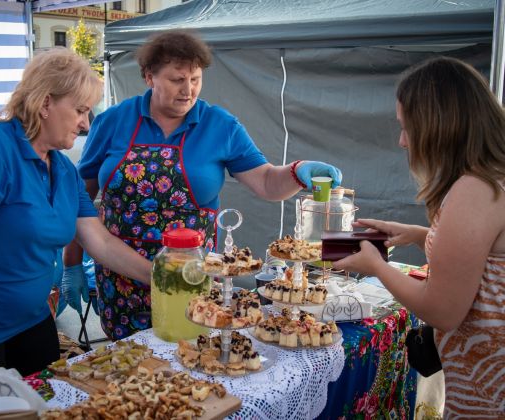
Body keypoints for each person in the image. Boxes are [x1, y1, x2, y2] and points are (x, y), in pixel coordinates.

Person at [75, 30, 342, 340]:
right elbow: (80, 197)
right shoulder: (113, 121)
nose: (188, 90)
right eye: (177, 79)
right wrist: (71, 264)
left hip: (191, 275)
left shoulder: (220, 125)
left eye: (196, 79)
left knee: (191, 353)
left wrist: (297, 171)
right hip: (120, 272)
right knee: (134, 369)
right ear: (149, 77)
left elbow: (268, 183)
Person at [0, 49, 152, 381]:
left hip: (33, 320)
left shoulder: (62, 167)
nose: (86, 123)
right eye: (80, 110)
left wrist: (161, 276)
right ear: (45, 103)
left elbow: (99, 242)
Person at [333, 57, 505, 417]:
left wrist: (376, 266)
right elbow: (488, 258)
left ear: (440, 125)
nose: (402, 141)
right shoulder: (493, 174)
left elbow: (442, 312)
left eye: (407, 127)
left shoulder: (475, 189)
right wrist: (420, 235)